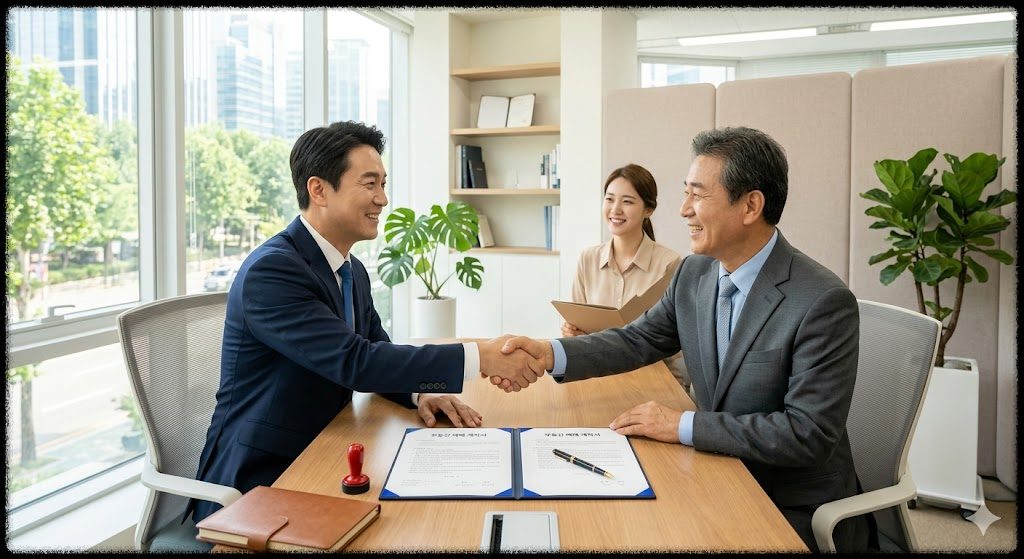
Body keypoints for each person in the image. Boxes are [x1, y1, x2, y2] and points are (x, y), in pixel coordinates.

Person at [498, 126, 871, 553]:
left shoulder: (822, 301)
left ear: (751, 205)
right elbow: (637, 339)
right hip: (714, 470)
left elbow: (806, 434)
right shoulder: (694, 275)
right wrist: (549, 354)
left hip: (785, 500)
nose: (682, 210)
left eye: (698, 195)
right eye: (684, 193)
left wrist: (682, 424)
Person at [187, 120, 544, 525]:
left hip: (324, 450)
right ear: (319, 190)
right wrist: (480, 357)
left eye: (383, 184)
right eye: (370, 184)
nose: (383, 199)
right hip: (261, 476)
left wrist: (418, 394)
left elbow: (377, 350)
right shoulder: (273, 273)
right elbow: (357, 362)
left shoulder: (351, 269)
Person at [560, 163, 685, 387]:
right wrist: (571, 333)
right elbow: (575, 330)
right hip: (596, 376)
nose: (615, 209)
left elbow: (678, 343)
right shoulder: (587, 259)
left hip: (654, 379)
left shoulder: (670, 264)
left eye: (627, 201)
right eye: (609, 199)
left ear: (649, 210)